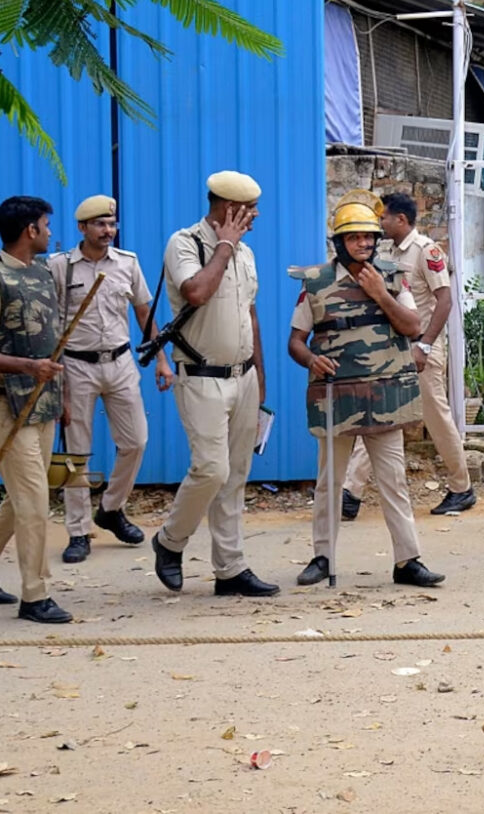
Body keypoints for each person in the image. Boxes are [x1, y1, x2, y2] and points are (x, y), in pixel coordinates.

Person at [289, 198, 444, 588]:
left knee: (394, 480)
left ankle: (408, 560)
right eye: (354, 237)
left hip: (386, 393)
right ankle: (322, 557)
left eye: (368, 237)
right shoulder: (316, 282)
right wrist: (310, 360)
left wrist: (380, 294)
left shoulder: (392, 277)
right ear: (339, 243)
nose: (363, 244)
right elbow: (295, 341)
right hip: (336, 396)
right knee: (329, 483)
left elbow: (412, 325)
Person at [150, 171, 279, 597]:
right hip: (202, 376)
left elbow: (251, 315)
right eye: (250, 210)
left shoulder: (247, 253)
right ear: (230, 210)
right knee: (211, 468)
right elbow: (197, 292)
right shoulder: (185, 243)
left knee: (235, 476)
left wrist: (259, 376)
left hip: (243, 376)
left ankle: (230, 569)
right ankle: (169, 541)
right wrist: (224, 245)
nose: (256, 216)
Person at [48, 194, 174, 564]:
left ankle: (111, 508)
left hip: (119, 362)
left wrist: (162, 360)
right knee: (76, 452)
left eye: (112, 224)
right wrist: (58, 384)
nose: (107, 231)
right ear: (82, 228)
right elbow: (51, 325)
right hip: (75, 367)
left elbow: (144, 313)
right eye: (100, 224)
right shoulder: (60, 267)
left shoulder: (127, 263)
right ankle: (77, 531)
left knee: (136, 440)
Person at [340, 192, 474, 519]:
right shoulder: (386, 251)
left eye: (383, 217)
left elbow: (444, 301)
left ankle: (462, 487)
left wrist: (425, 345)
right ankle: (350, 493)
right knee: (379, 416)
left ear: (401, 219)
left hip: (421, 348)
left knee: (436, 417)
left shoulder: (426, 250)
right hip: (395, 349)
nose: (379, 222)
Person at [0, 196, 72, 622]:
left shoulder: (43, 272)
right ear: (31, 230)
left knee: (21, 498)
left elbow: (51, 337)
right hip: (7, 404)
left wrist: (60, 395)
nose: (48, 231)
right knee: (33, 500)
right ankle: (34, 594)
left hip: (43, 401)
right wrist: (29, 366)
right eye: (46, 224)